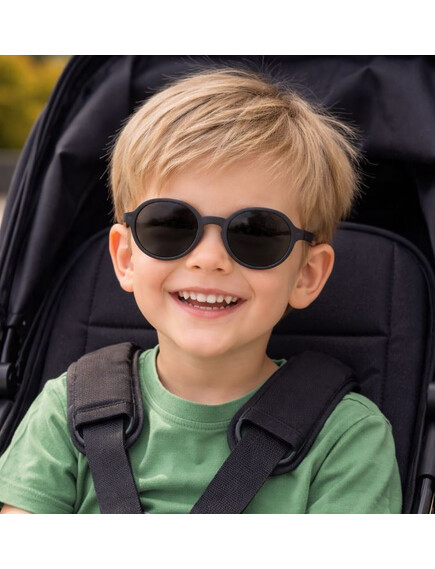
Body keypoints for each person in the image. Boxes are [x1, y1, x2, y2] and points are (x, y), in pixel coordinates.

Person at [0, 67, 402, 514]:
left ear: (307, 275)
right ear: (126, 258)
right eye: (170, 225)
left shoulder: (346, 439)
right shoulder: (67, 411)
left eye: (255, 232)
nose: (209, 259)